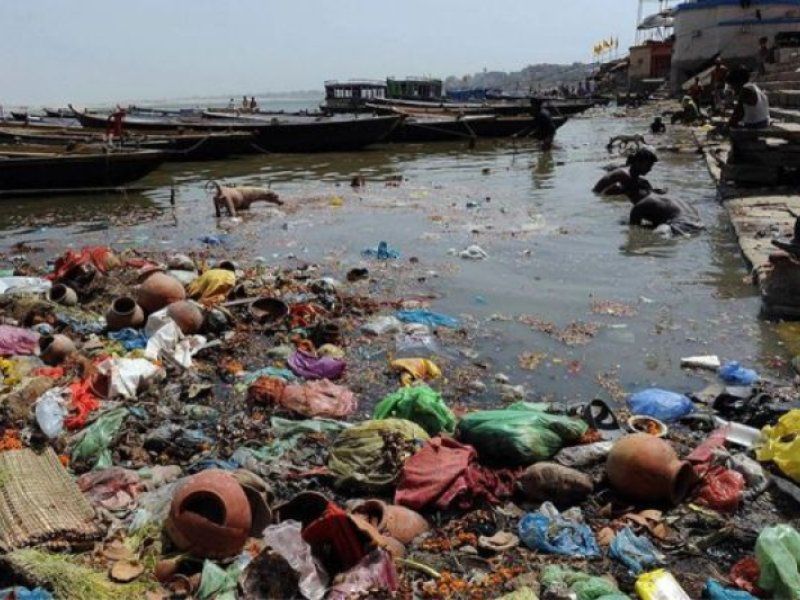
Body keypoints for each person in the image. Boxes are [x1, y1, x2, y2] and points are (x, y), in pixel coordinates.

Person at [593, 147, 661, 199]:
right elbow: (603, 192)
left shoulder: (631, 175)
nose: (650, 169)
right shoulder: (622, 175)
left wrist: (652, 190)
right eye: (648, 165)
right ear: (638, 163)